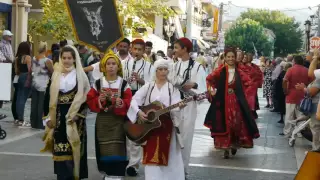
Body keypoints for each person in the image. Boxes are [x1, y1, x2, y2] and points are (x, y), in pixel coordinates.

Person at [127, 59, 185, 180]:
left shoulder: (172, 89)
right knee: (151, 155)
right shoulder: (148, 86)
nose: (163, 72)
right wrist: (139, 112)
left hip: (167, 128)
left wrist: (179, 106)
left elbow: (175, 106)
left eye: (165, 69)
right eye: (160, 69)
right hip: (150, 127)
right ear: (156, 71)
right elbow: (134, 99)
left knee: (171, 155)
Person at [41, 45, 90, 180]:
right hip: (58, 116)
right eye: (64, 58)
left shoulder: (81, 76)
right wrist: (47, 117)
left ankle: (74, 175)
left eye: (69, 58)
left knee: (74, 148)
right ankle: (62, 176)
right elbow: (47, 97)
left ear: (75, 59)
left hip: (74, 118)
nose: (67, 60)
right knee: (60, 148)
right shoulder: (56, 75)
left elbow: (87, 97)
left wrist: (78, 115)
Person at [205, 47, 260, 159]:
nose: (230, 59)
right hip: (222, 102)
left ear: (235, 58)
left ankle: (234, 144)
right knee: (224, 123)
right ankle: (226, 147)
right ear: (224, 58)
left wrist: (243, 95)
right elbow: (209, 79)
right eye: (228, 57)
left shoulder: (239, 72)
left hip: (236, 102)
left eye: (232, 57)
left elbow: (250, 83)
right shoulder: (220, 71)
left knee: (235, 123)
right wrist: (212, 90)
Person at [87, 51, 132, 180]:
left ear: (118, 67)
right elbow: (90, 99)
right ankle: (107, 173)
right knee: (103, 146)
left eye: (114, 64)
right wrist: (99, 100)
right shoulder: (98, 83)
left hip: (118, 120)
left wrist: (121, 102)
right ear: (103, 67)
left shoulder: (123, 84)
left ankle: (117, 174)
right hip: (103, 121)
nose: (111, 66)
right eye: (108, 64)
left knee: (118, 146)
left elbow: (129, 100)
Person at [169, 37, 206, 174]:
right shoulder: (174, 66)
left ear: (184, 49)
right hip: (174, 105)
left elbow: (203, 89)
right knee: (172, 136)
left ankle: (183, 170)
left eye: (177, 47)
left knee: (185, 137)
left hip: (189, 105)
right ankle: (173, 168)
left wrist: (193, 85)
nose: (174, 50)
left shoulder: (197, 67)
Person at [122, 39, 154, 176]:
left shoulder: (149, 66)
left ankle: (133, 165)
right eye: (135, 49)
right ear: (131, 49)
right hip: (125, 97)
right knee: (124, 130)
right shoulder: (124, 64)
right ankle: (125, 159)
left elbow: (152, 84)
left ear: (144, 51)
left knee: (135, 131)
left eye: (140, 50)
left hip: (140, 99)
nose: (137, 52)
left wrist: (140, 80)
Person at [30, 41, 53, 129]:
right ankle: (40, 123)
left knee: (34, 104)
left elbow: (31, 70)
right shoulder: (47, 61)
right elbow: (52, 72)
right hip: (43, 84)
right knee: (41, 104)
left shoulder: (34, 58)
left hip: (34, 82)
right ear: (45, 49)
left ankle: (33, 122)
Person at [14, 42, 32, 126]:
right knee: (23, 99)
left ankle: (18, 118)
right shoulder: (27, 57)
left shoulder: (17, 58)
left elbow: (16, 70)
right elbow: (29, 70)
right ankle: (21, 120)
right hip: (26, 77)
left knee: (19, 98)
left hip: (20, 76)